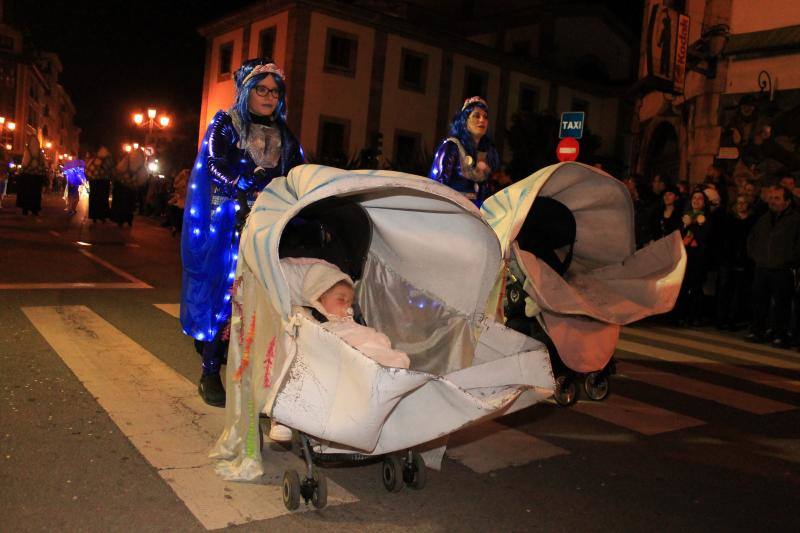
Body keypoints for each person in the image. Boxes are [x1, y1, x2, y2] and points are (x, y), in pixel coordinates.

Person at [181, 59, 304, 407]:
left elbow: (297, 173)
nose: (268, 96)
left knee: (267, 298)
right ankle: (209, 372)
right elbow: (217, 165)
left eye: (274, 91)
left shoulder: (286, 135)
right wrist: (250, 183)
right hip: (230, 224)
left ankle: (260, 370)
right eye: (261, 89)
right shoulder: (226, 123)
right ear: (248, 91)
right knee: (226, 296)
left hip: (270, 223)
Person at [746, 186, 800, 346]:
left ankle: (780, 334)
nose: (773, 201)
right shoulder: (764, 219)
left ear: (787, 201)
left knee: (781, 304)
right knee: (759, 301)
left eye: (777, 198)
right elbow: (753, 238)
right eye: (771, 198)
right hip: (762, 267)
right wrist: (755, 256)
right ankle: (758, 331)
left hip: (782, 269)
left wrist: (789, 260)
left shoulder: (796, 220)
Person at [428, 96, 500, 207]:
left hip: (477, 216)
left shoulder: (487, 152)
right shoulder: (451, 147)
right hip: (452, 212)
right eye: (476, 116)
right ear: (464, 121)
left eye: (485, 117)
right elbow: (436, 185)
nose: (482, 120)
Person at [715, 194, 757, 329]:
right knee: (724, 289)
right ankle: (721, 318)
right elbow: (722, 239)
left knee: (738, 291)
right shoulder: (728, 219)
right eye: (738, 203)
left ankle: (733, 318)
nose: (741, 205)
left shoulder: (752, 220)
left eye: (744, 202)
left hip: (744, 260)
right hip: (728, 259)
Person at [676, 189, 712, 326]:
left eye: (700, 198)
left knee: (695, 287)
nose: (696, 200)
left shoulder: (707, 219)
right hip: (685, 255)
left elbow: (705, 238)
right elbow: (679, 236)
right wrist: (686, 225)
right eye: (694, 198)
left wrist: (699, 224)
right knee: (683, 287)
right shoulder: (685, 216)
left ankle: (693, 316)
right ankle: (681, 315)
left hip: (698, 258)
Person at [111, 149, 146, 227]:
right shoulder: (141, 163)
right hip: (132, 187)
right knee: (130, 205)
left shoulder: (126, 160)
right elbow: (142, 178)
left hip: (123, 186)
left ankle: (120, 220)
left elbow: (118, 170)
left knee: (122, 204)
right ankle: (129, 220)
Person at [16, 135, 47, 216]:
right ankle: (35, 210)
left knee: (26, 192)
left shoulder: (28, 151)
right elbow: (44, 163)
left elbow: (24, 163)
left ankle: (25, 209)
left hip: (27, 176)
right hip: (37, 176)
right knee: (36, 193)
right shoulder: (40, 152)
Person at [85, 146, 114, 222]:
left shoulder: (93, 160)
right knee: (103, 199)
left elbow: (87, 170)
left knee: (94, 199)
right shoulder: (107, 161)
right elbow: (111, 170)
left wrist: (90, 178)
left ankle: (94, 216)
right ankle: (102, 216)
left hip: (94, 182)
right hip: (104, 182)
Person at [166, 168, 189, 236]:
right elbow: (176, 185)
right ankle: (175, 227)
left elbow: (176, 185)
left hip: (183, 202)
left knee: (177, 214)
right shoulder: (185, 181)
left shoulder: (186, 182)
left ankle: (175, 227)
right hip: (182, 201)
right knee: (177, 214)